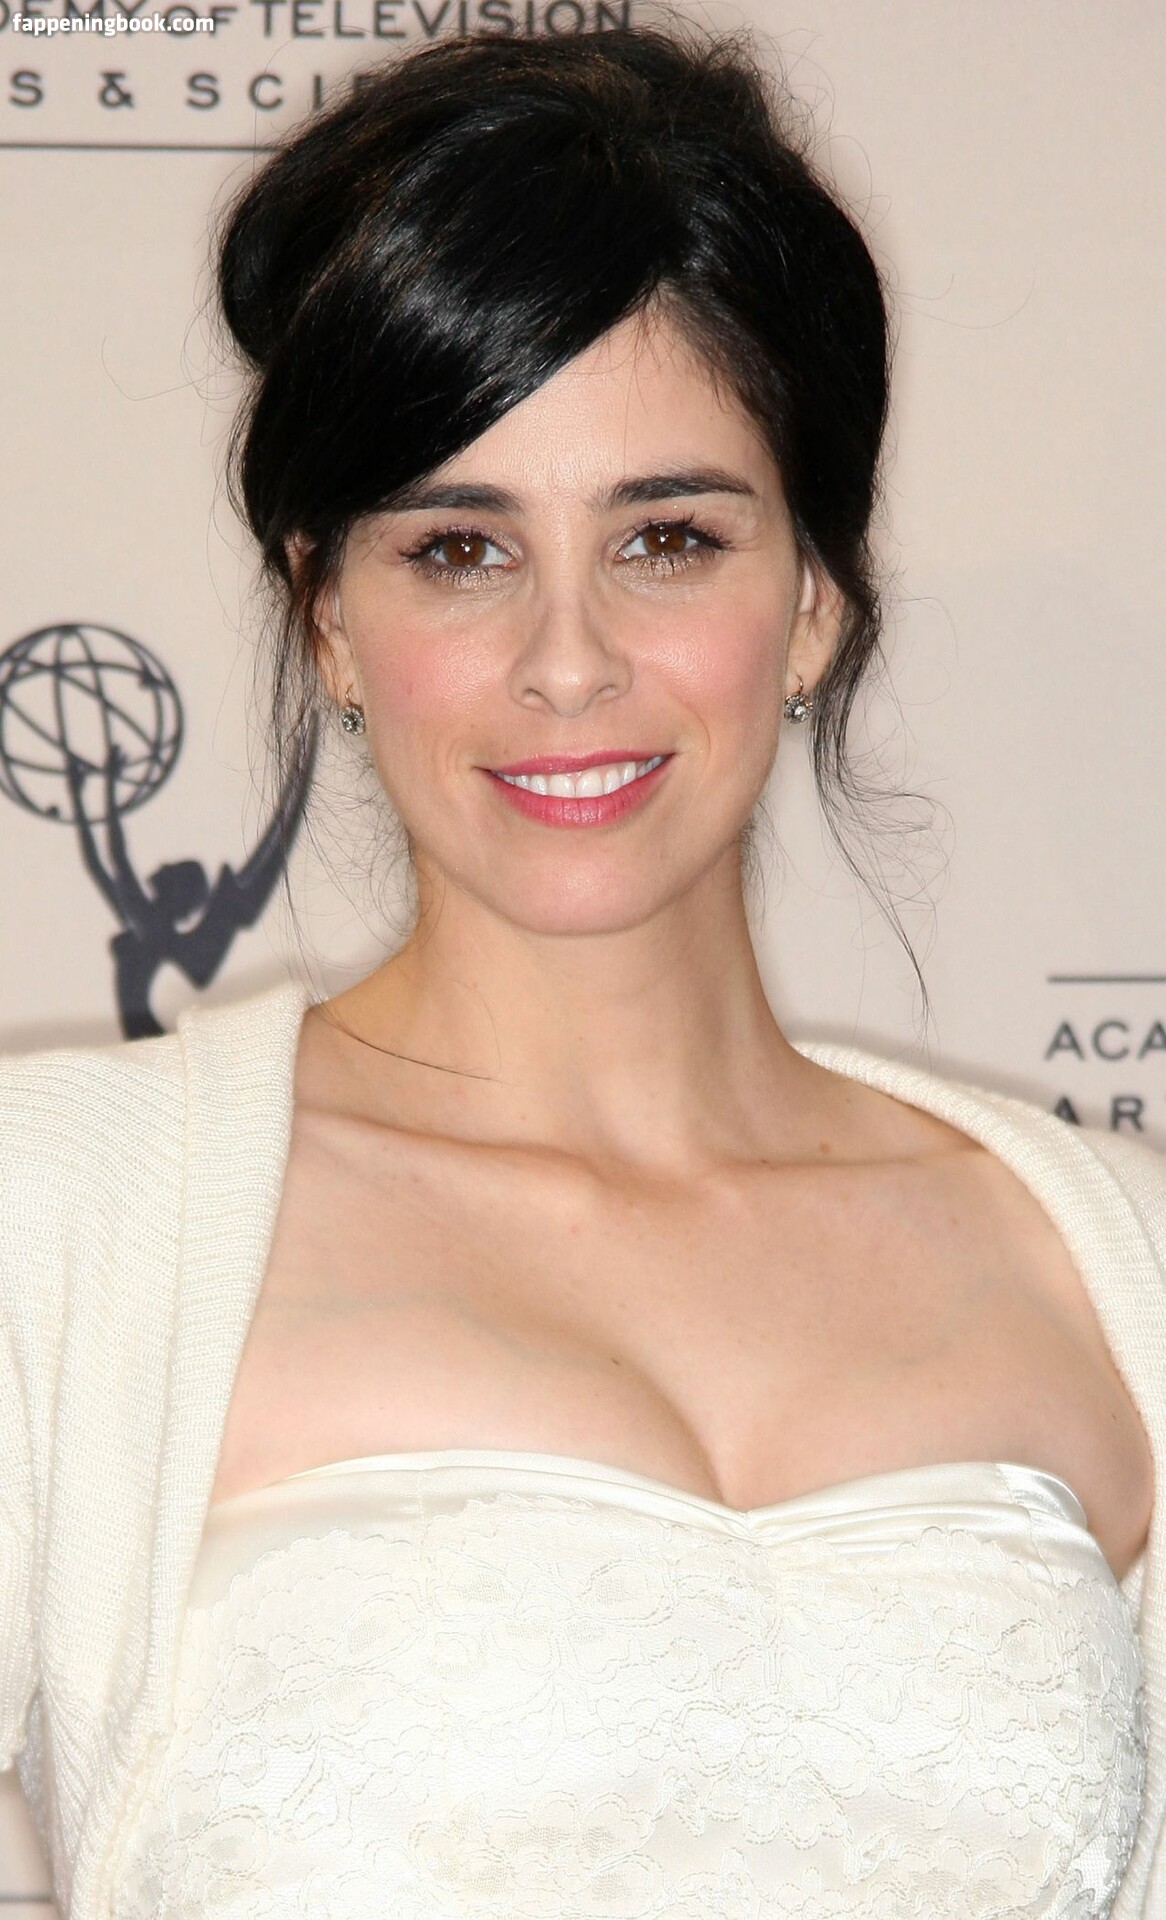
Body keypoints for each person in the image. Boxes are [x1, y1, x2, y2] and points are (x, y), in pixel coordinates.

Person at [2, 24, 1165, 1919]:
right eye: (460, 549)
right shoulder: (58, 1226)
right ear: (330, 617)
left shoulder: (1113, 1264)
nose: (567, 660)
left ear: (811, 600)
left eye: (667, 539)